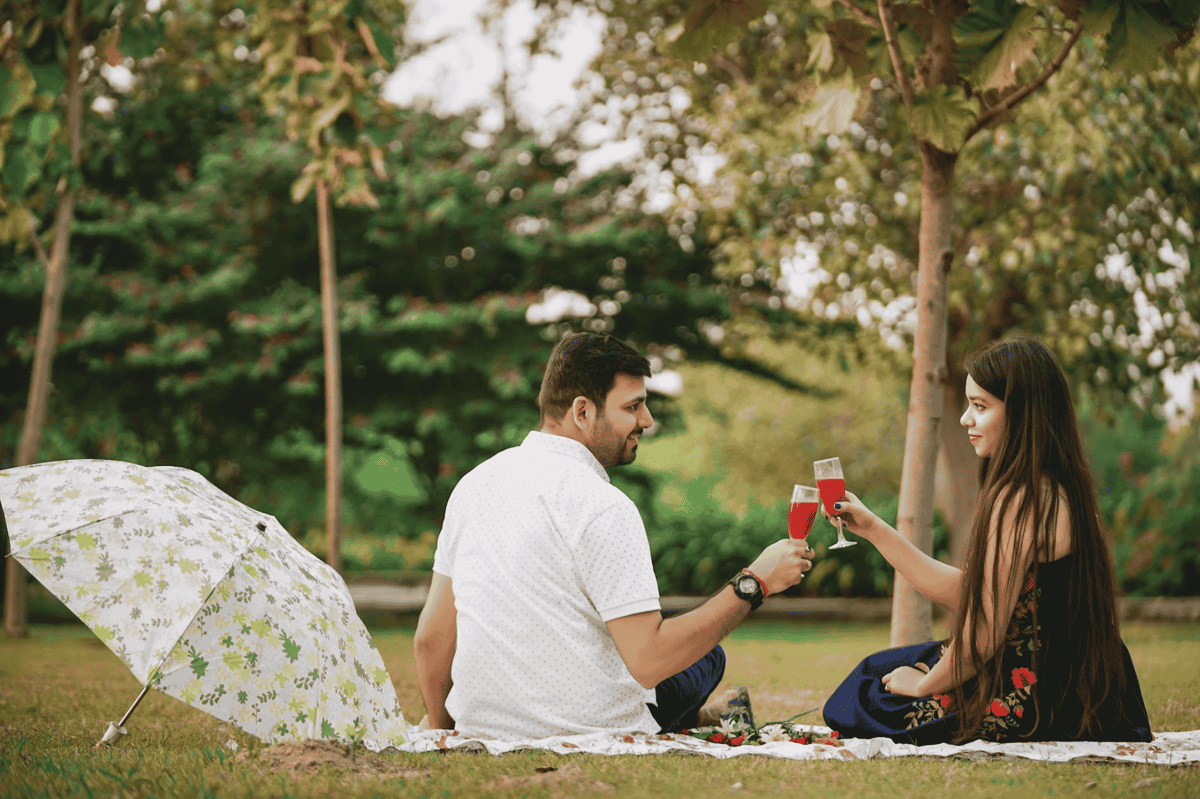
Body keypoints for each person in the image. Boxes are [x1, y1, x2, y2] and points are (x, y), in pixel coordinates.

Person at [413, 331, 813, 739]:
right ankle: (696, 715)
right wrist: (755, 583)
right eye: (633, 406)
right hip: (590, 726)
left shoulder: (473, 486)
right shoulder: (603, 505)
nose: (647, 420)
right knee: (707, 659)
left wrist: (445, 731)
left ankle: (704, 716)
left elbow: (431, 638)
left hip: (486, 724)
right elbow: (649, 660)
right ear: (582, 411)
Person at [822, 336, 1152, 744]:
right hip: (1084, 686)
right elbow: (969, 591)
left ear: (1023, 414)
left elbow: (983, 634)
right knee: (881, 669)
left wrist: (927, 685)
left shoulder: (1020, 498)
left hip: (1035, 694)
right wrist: (874, 529)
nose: (964, 419)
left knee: (860, 697)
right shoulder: (1057, 487)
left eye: (980, 406)